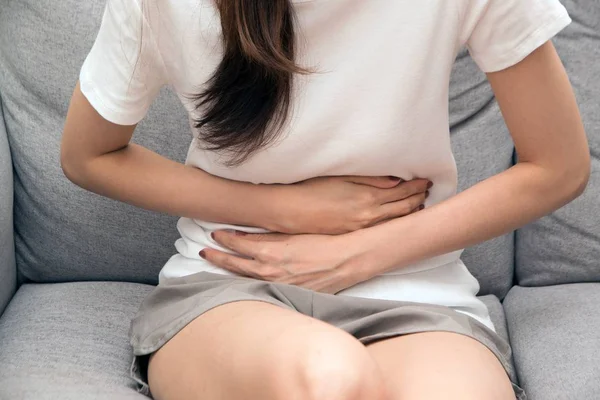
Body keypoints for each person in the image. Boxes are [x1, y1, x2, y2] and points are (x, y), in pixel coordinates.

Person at [60, 0, 589, 399]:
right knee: (328, 374)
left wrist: (359, 253)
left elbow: (557, 167)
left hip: (419, 300)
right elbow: (89, 155)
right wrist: (281, 209)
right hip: (231, 288)